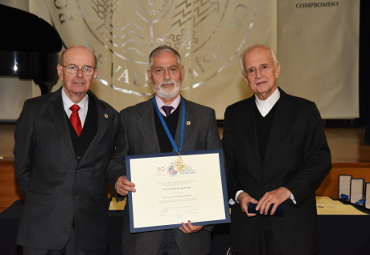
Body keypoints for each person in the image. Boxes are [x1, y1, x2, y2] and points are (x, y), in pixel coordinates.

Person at [108, 45, 221, 255]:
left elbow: (215, 174)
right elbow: (116, 161)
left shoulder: (204, 117)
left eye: (172, 69)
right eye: (159, 70)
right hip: (143, 237)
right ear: (149, 76)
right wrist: (118, 180)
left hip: (191, 234)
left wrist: (206, 221)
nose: (166, 76)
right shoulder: (129, 117)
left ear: (182, 72)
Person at [222, 44, 332, 255]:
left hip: (292, 230)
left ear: (277, 69)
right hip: (247, 231)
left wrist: (287, 190)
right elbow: (226, 164)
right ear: (245, 78)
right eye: (251, 70)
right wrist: (238, 194)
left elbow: (320, 161)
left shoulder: (305, 111)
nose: (259, 75)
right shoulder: (234, 114)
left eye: (264, 66)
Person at [14, 45, 121, 255]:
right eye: (72, 67)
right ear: (60, 71)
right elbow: (22, 169)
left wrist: (119, 180)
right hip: (43, 229)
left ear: (95, 74)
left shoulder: (110, 116)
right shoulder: (34, 110)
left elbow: (111, 164)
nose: (80, 75)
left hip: (91, 231)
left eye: (87, 69)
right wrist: (47, 201)